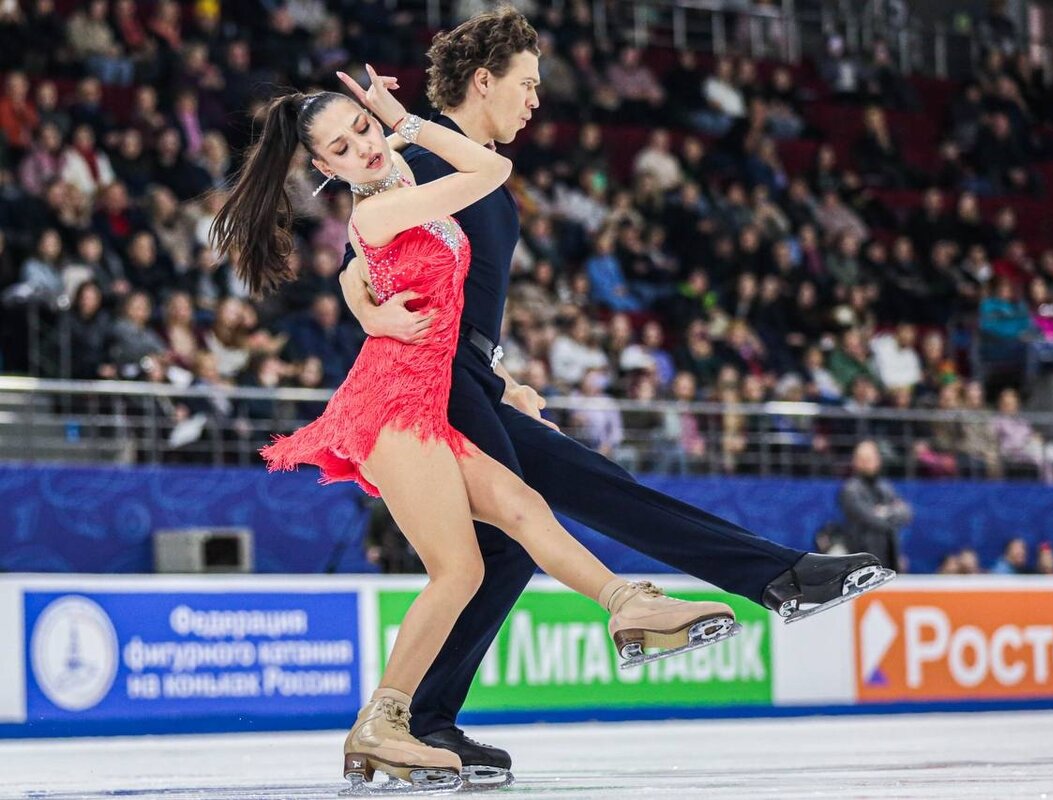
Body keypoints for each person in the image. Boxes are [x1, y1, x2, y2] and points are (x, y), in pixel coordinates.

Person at [338, 7, 890, 785]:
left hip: (474, 381)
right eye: (526, 84)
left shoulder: (481, 173)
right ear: (484, 80)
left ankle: (424, 719)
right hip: (435, 386)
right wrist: (373, 312)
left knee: (519, 541)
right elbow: (356, 257)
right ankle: (750, 584)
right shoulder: (424, 157)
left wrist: (503, 375)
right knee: (539, 520)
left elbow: (460, 294)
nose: (536, 100)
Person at [210, 75, 737, 792]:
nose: (364, 145)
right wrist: (407, 120)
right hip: (393, 405)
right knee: (460, 570)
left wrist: (494, 375)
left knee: (523, 509)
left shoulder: (383, 194)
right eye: (341, 147)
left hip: (429, 398)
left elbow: (374, 278)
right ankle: (382, 724)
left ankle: (629, 608)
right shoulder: (385, 204)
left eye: (363, 128)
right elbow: (491, 171)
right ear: (324, 169)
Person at [838, 440, 913, 572]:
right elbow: (870, 519)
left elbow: (906, 513)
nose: (867, 463)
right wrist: (891, 513)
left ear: (878, 460)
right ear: (855, 461)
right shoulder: (850, 490)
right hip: (861, 560)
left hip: (889, 557)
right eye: (862, 459)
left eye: (870, 458)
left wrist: (884, 512)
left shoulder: (885, 487)